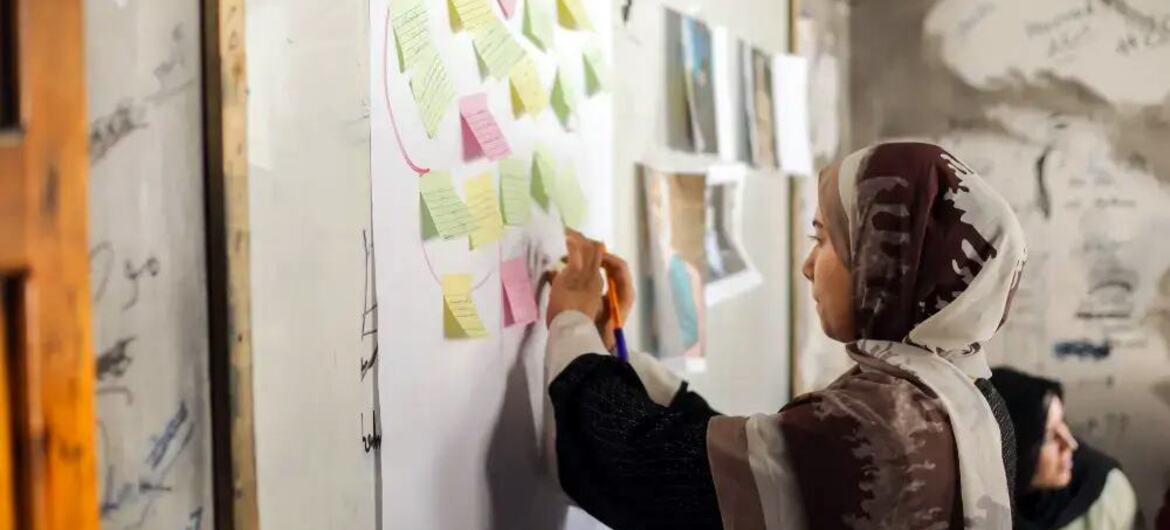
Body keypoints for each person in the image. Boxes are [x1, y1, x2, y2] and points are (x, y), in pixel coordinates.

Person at [542, 142, 1026, 529]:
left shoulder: (883, 423)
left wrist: (571, 327)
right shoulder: (975, 406)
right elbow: (748, 466)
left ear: (889, 264)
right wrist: (615, 356)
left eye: (824, 239)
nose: (808, 266)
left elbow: (642, 475)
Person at [990, 367, 1142, 530]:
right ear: (1014, 449)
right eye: (1049, 436)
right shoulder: (972, 505)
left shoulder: (1108, 498)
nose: (1070, 444)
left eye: (1063, 421)